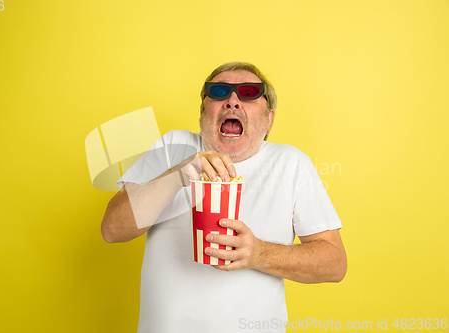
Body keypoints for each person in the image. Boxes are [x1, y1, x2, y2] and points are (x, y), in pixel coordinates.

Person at [101, 62, 347, 333]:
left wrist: (259, 254)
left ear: (269, 119)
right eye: (218, 91)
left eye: (250, 92)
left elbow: (334, 263)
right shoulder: (173, 148)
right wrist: (177, 175)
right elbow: (112, 229)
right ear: (202, 112)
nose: (232, 101)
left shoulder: (291, 163)